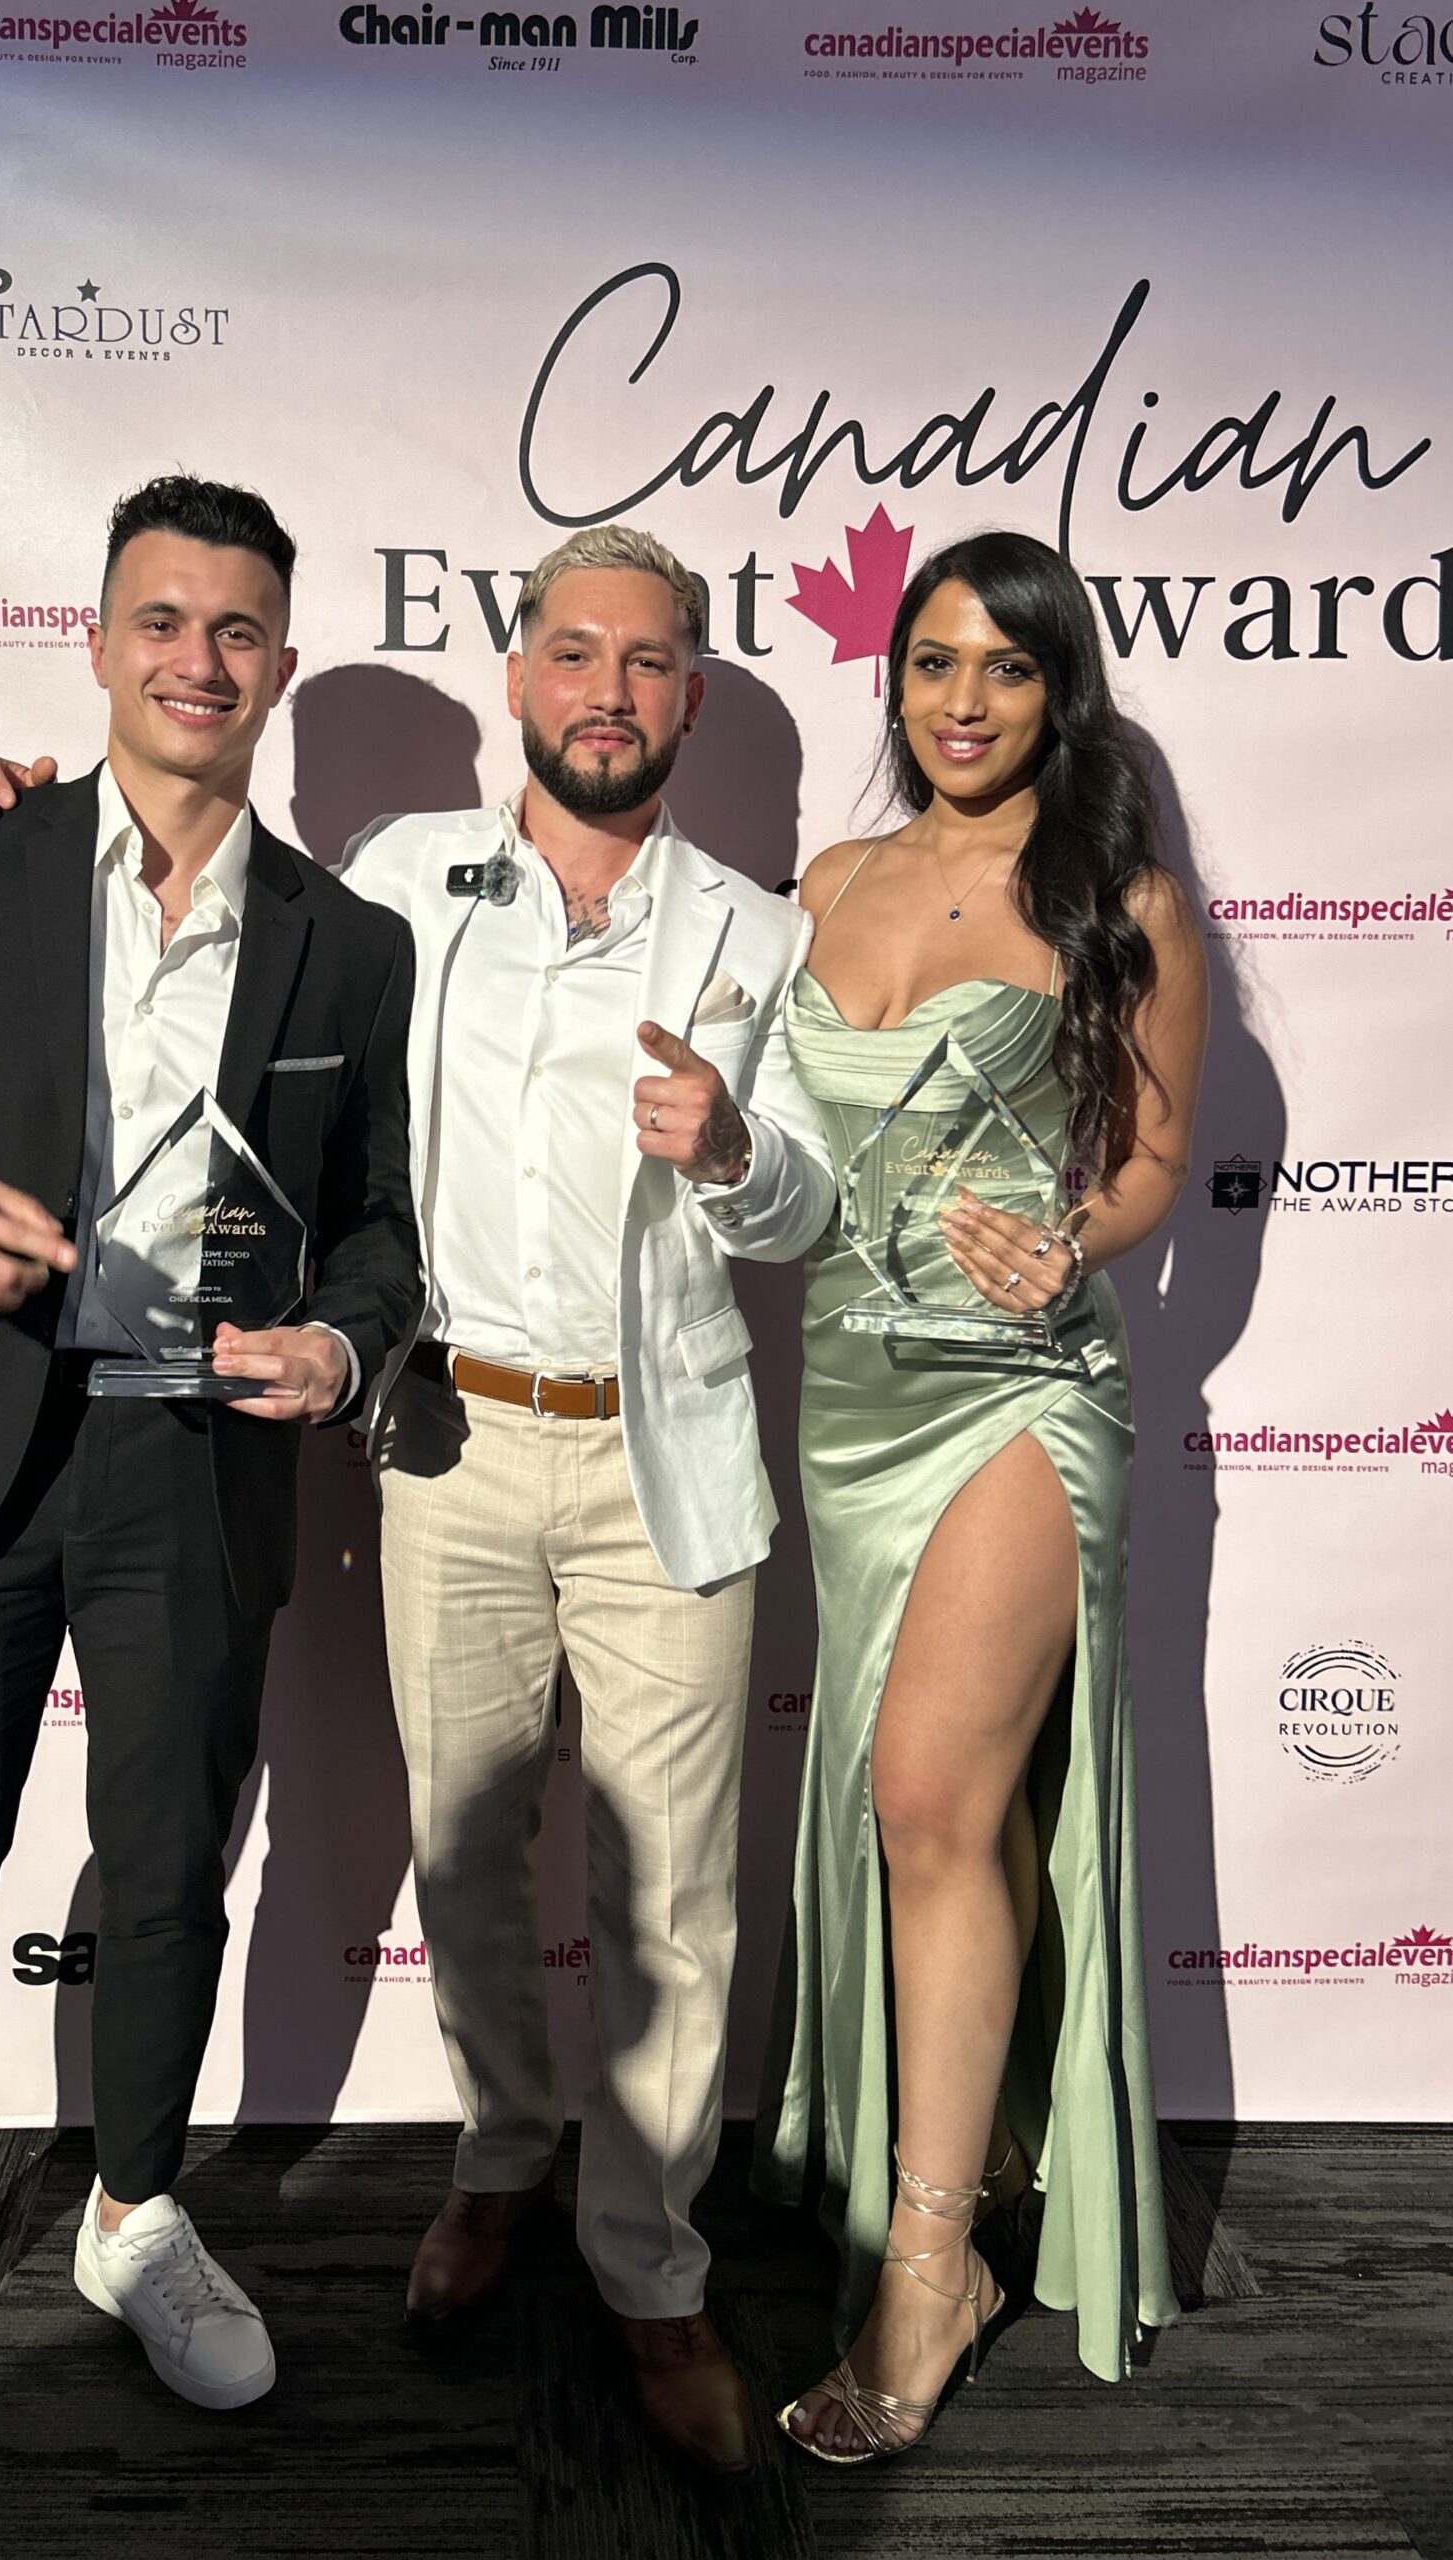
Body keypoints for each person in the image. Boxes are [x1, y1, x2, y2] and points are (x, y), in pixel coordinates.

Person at [0, 522, 837, 2474]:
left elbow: (806, 1207)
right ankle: (499, 2158)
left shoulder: (756, 927)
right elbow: (203, 916)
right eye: (572, 651)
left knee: (677, 1899)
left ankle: (651, 2268)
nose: (605, 690)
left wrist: (737, 1148)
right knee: (464, 1857)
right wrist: (4, 815)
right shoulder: (397, 879)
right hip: (446, 1444)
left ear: (688, 694)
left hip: (666, 1461)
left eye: (645, 661)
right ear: (518, 676)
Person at [0, 476, 417, 2494]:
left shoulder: (350, 943)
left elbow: (379, 1223)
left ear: (278, 665)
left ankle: (136, 2213)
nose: (198, 658)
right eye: (162, 620)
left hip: (193, 1462)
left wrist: (341, 1342)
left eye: (236, 629)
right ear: (99, 641)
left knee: (170, 1871)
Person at [755, 530, 1202, 2462]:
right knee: (944, 1815)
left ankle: (930, 2264)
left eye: (1004, 668)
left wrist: (1069, 1240)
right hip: (844, 1397)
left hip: (1021, 1391)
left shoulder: (1122, 901)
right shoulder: (824, 883)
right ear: (894, 681)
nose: (962, 700)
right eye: (932, 662)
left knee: (929, 1798)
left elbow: (1152, 1163)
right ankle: (983, 2147)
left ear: (1055, 691)